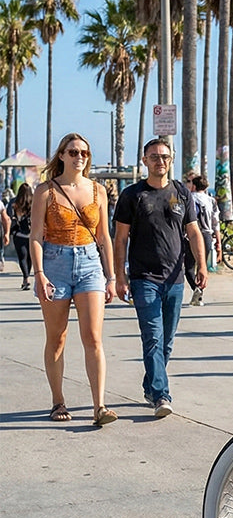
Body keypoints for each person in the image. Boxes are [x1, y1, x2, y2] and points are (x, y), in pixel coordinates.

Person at [113, 138, 207, 418]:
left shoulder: (181, 192)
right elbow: (120, 239)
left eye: (164, 156)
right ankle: (161, 395)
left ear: (171, 159)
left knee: (166, 342)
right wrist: (120, 276)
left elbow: (193, 231)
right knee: (153, 338)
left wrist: (201, 265)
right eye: (154, 156)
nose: (160, 161)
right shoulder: (132, 195)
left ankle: (150, 385)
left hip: (175, 279)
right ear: (144, 161)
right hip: (144, 278)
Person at [28, 133, 117, 426]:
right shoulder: (45, 191)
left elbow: (104, 236)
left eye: (84, 153)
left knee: (93, 337)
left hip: (90, 264)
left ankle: (99, 406)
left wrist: (111, 276)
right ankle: (58, 401)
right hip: (55, 264)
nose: (80, 157)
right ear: (62, 155)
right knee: (57, 338)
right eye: (74, 152)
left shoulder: (98, 191)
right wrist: (39, 274)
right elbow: (36, 236)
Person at [183, 174, 221, 305]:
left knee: (189, 267)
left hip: (192, 235)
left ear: (193, 186)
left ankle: (196, 289)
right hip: (207, 235)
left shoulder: (189, 199)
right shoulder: (211, 201)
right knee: (202, 266)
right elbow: (216, 223)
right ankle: (199, 292)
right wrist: (219, 243)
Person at [7, 183, 33, 289]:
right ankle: (27, 277)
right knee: (30, 258)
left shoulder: (14, 203)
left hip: (19, 234)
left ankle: (26, 278)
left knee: (22, 257)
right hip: (33, 234)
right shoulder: (34, 202)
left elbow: (9, 216)